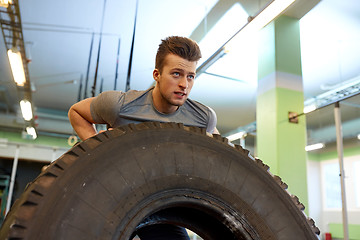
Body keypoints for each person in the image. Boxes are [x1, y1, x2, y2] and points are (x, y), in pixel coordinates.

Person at [68, 36, 218, 240]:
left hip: (158, 204)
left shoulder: (202, 119)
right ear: (157, 74)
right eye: (176, 74)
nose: (184, 84)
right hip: (112, 197)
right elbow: (76, 112)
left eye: (190, 76)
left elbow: (223, 158)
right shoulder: (120, 105)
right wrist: (96, 147)